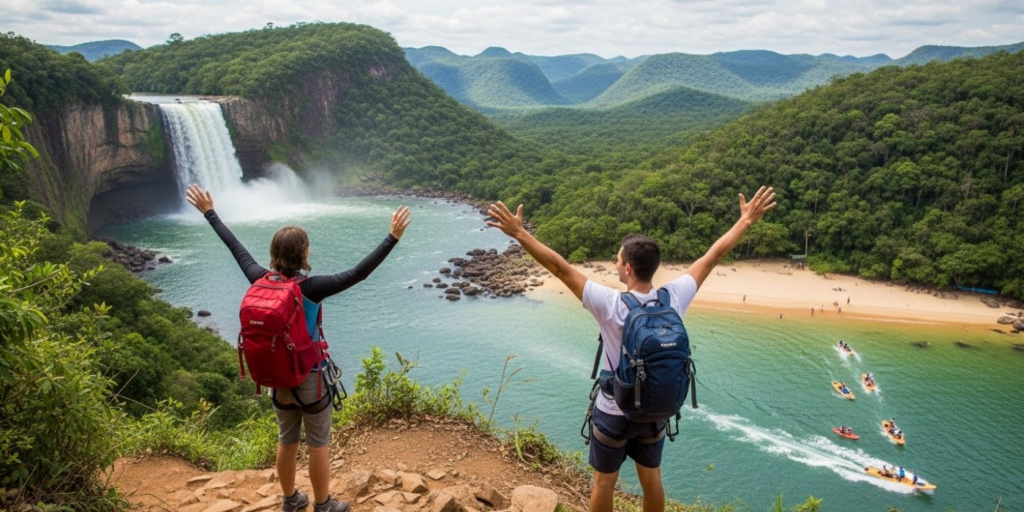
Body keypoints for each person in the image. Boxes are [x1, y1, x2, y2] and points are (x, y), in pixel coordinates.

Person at [486, 186, 776, 512]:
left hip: (613, 409)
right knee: (652, 481)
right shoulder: (674, 297)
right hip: (655, 411)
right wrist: (746, 221)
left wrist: (520, 234)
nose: (615, 262)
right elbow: (712, 257)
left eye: (618, 259)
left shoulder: (609, 303)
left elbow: (560, 268)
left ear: (627, 269)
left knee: (603, 483)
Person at [185, 184, 411, 512]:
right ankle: (323, 504)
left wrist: (209, 212)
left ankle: (290, 500)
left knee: (286, 441)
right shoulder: (312, 287)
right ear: (303, 254)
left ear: (274, 253)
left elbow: (236, 248)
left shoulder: (259, 278)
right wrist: (392, 237)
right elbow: (359, 273)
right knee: (318, 444)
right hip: (311, 377)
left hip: (277, 379)